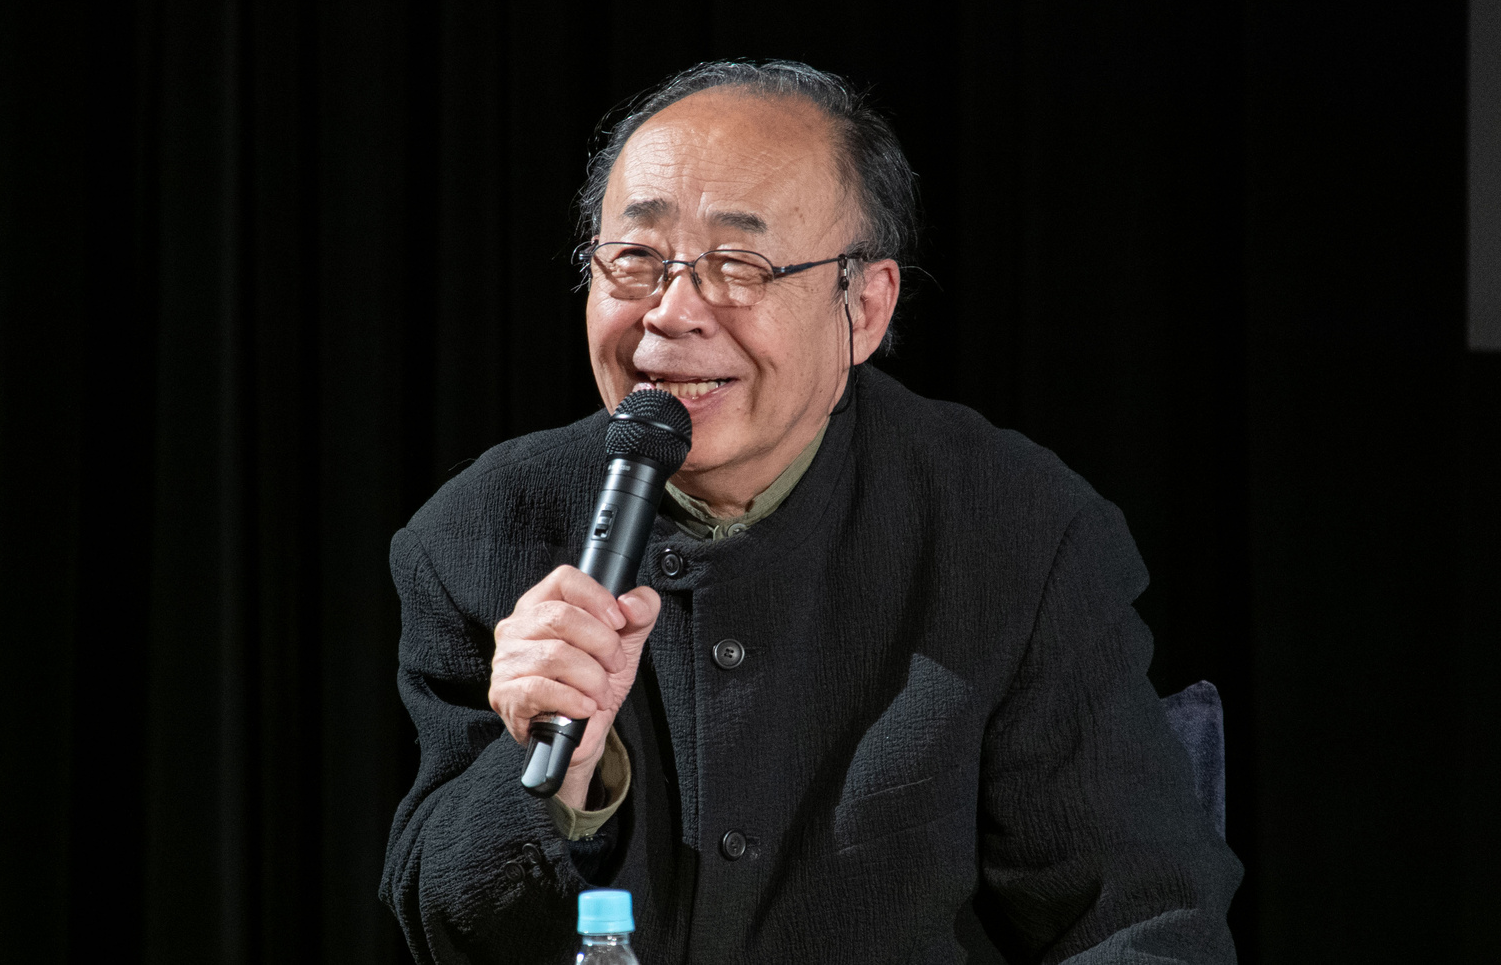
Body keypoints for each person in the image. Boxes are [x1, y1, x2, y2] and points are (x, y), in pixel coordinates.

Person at [380, 60, 1242, 964]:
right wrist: (555, 776)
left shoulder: (1018, 529)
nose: (672, 313)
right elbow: (443, 926)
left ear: (863, 308)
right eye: (635, 260)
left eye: (737, 266)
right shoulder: (481, 531)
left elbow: (1147, 922)